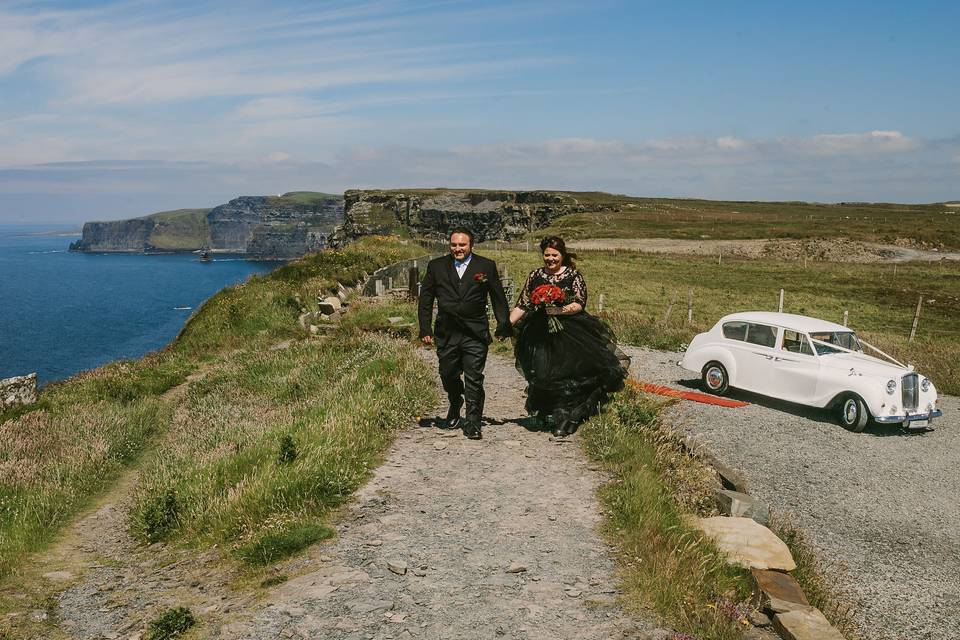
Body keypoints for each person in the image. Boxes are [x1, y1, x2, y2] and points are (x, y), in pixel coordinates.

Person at [509, 236, 629, 437]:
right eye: (546, 255)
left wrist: (558, 311)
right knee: (541, 373)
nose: (550, 259)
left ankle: (568, 417)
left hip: (570, 331)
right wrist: (507, 324)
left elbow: (580, 303)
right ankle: (549, 412)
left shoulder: (573, 275)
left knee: (569, 375)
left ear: (562, 255)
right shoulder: (535, 275)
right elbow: (523, 304)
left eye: (554, 255)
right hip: (539, 332)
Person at [418, 228, 512, 439]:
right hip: (446, 332)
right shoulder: (436, 266)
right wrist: (425, 328)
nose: (458, 249)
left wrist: (503, 325)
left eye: (462, 245)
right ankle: (455, 400)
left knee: (474, 377)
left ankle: (473, 421)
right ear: (449, 245)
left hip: (475, 332)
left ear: (471, 245)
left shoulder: (485, 266)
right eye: (454, 245)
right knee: (447, 373)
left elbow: (498, 298)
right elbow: (425, 299)